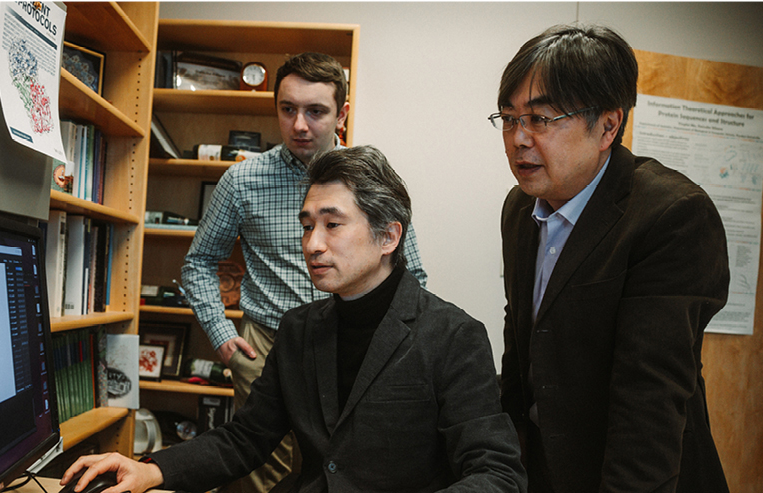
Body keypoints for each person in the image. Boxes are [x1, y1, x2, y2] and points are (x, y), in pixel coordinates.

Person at [60, 145, 525, 493]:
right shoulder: (300, 328)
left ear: (388, 236)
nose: (312, 244)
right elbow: (247, 438)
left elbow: (496, 472)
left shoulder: (452, 335)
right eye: (307, 225)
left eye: (332, 224)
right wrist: (150, 469)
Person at [494, 24, 731, 492]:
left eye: (540, 119)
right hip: (544, 469)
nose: (519, 138)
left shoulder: (671, 215)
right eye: (508, 119)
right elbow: (521, 341)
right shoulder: (519, 208)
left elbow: (650, 402)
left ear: (607, 125)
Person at [180, 52, 427, 490]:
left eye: (315, 111)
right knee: (261, 470)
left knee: (346, 465)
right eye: (288, 109)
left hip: (352, 344)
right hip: (267, 344)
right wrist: (222, 338)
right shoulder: (243, 181)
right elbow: (198, 261)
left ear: (341, 113)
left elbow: (412, 272)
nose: (299, 125)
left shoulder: (368, 178)